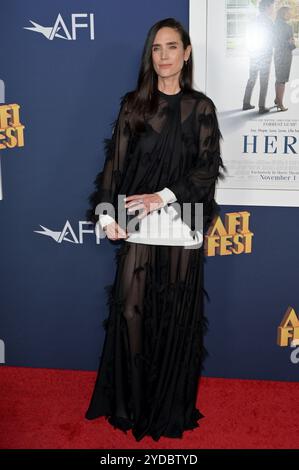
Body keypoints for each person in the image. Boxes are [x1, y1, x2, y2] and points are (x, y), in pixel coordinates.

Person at [85, 17, 225, 442]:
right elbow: (116, 165)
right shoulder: (133, 105)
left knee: (175, 321)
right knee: (130, 313)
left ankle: (168, 408)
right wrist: (108, 215)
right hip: (139, 226)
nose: (163, 56)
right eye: (156, 48)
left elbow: (205, 172)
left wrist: (160, 196)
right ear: (151, 56)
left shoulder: (201, 108)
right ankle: (130, 406)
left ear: (186, 53)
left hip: (182, 225)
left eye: (171, 47)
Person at [242, 0, 275, 114]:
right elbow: (271, 40)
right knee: (264, 81)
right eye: (272, 7)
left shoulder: (254, 20)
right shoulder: (269, 22)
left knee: (252, 79)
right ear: (266, 7)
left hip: (254, 54)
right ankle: (262, 106)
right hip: (265, 55)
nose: (273, 9)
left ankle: (246, 103)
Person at [273, 6, 296, 112]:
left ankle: (277, 99)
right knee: (282, 80)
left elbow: (274, 42)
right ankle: (280, 104)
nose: (290, 15)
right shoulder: (287, 27)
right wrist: (291, 43)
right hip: (285, 56)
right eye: (288, 13)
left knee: (278, 78)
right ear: (284, 14)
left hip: (277, 54)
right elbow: (290, 44)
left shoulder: (275, 25)